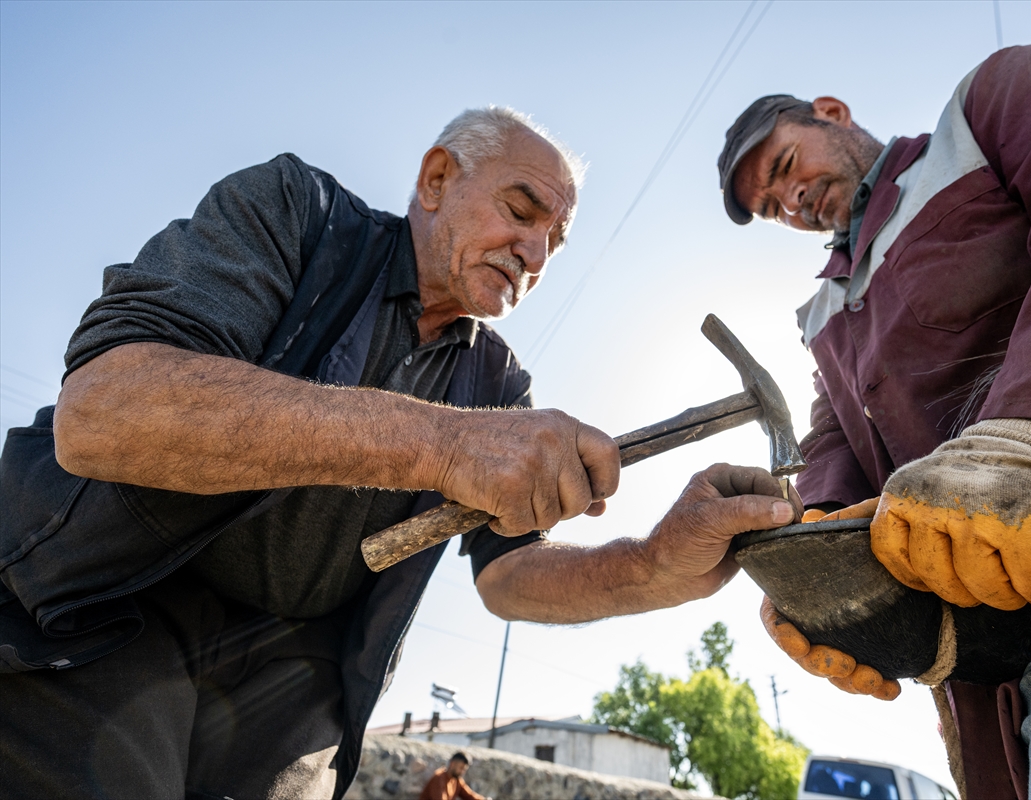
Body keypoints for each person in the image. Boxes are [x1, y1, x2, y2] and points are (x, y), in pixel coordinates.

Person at [0, 107, 802, 798]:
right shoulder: (298, 215)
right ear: (436, 179)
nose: (534, 251)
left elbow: (507, 577)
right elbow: (107, 411)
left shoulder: (497, 382)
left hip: (290, 679)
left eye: (555, 242)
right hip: (110, 603)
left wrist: (653, 565)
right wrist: (444, 445)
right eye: (520, 211)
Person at [716, 42, 1031, 799]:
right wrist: (819, 567)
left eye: (783, 169)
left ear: (832, 115)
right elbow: (835, 439)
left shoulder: (983, 117)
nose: (791, 201)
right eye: (772, 207)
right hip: (991, 618)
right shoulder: (821, 316)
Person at [419, 752, 489, 800]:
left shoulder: (457, 780)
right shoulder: (439, 778)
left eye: (464, 769)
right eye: (461, 768)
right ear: (452, 764)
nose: (462, 772)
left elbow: (469, 796)